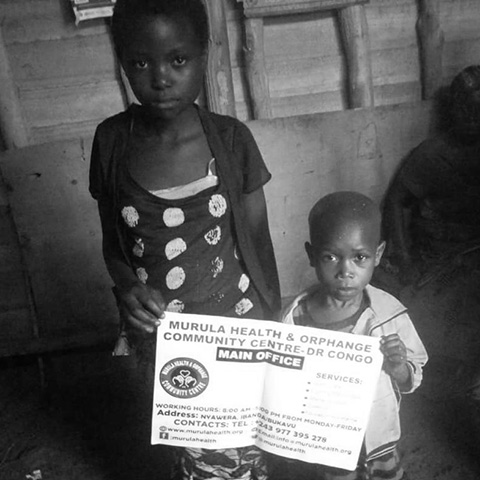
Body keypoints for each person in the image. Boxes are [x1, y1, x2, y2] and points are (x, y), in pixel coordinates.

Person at [88, 0, 281, 478]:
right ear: (121, 61)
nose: (160, 78)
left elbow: (258, 239)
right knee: (185, 447)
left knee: (238, 447)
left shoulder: (231, 141)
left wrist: (273, 324)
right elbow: (114, 244)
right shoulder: (111, 142)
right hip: (160, 337)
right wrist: (127, 288)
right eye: (140, 62)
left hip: (236, 325)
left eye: (178, 60)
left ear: (203, 55)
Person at [277, 191, 428, 480]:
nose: (345, 271)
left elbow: (412, 376)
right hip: (324, 439)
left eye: (360, 257)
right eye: (330, 257)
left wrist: (398, 367)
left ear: (378, 255)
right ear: (312, 256)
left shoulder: (388, 316)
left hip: (377, 437)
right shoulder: (293, 318)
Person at [381, 65, 480, 286]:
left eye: (478, 110)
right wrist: (404, 260)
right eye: (465, 108)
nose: (472, 117)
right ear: (453, 109)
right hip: (439, 254)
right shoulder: (431, 155)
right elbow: (395, 201)